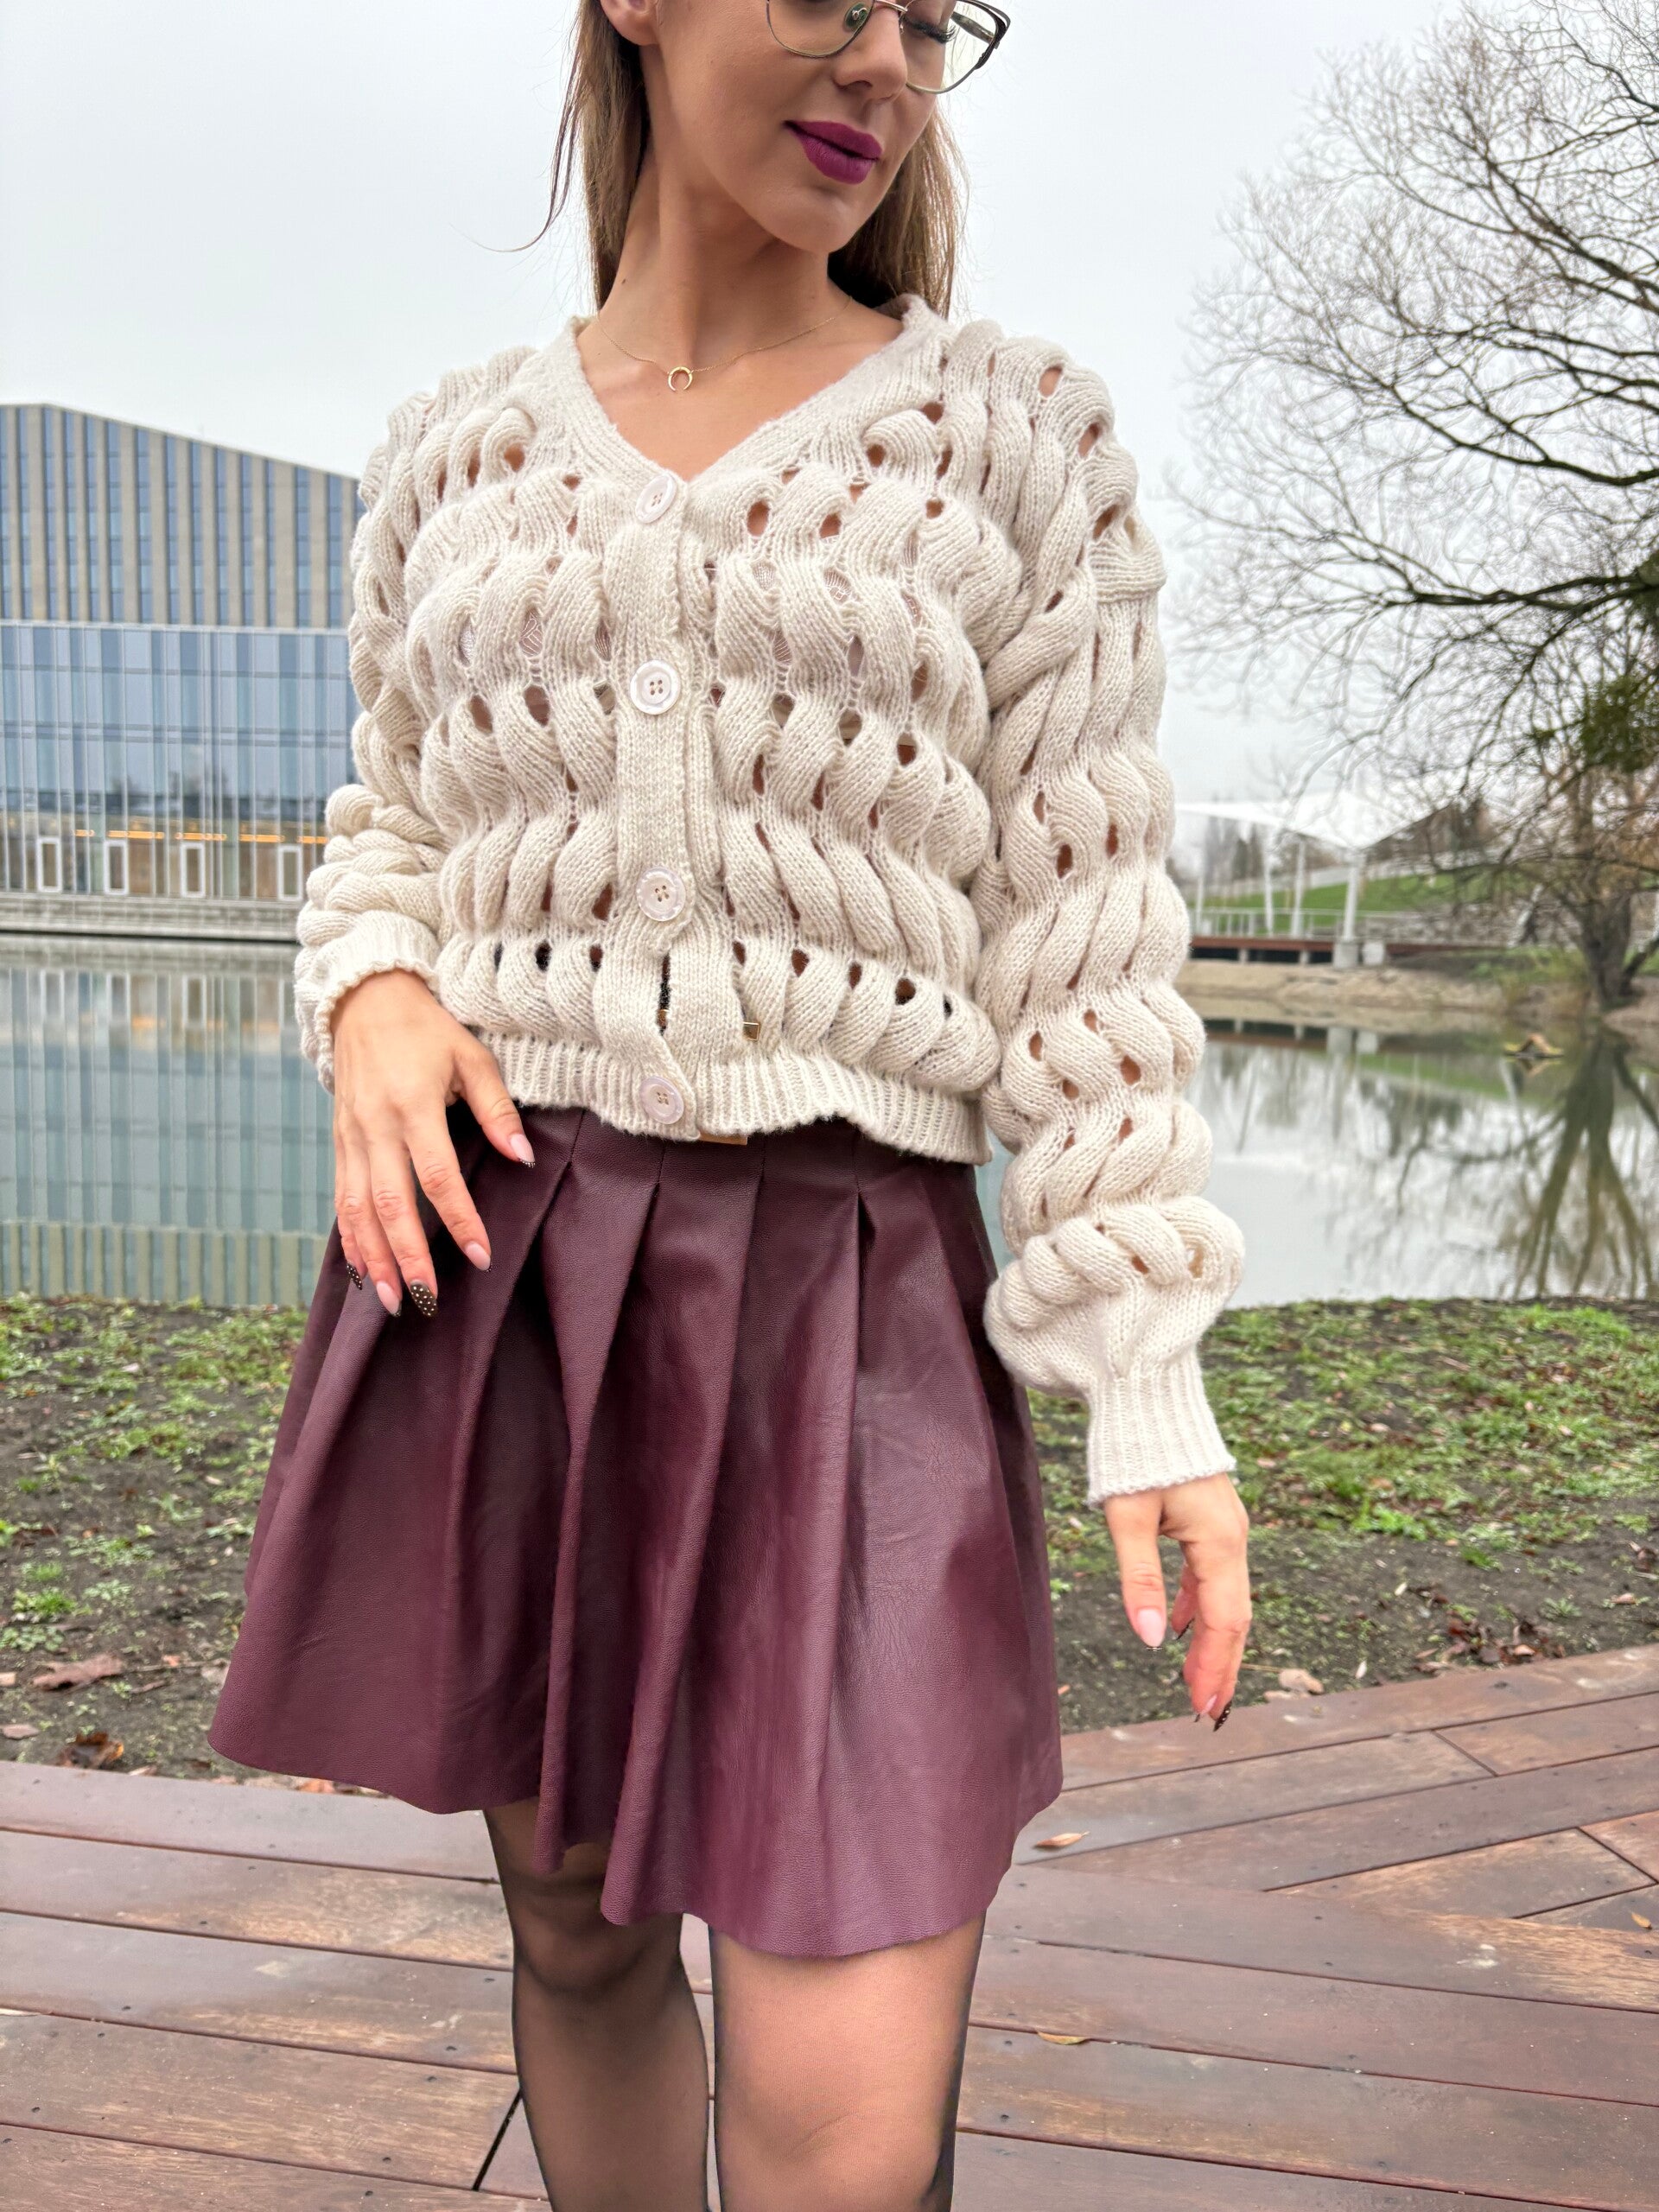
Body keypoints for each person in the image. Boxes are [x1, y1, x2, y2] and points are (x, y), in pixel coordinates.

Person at [210, 3, 1252, 2205]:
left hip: (855, 1308)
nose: (882, 61)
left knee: (841, 2125)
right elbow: (399, 816)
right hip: (516, 1281)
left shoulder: (1014, 440)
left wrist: (1146, 1373)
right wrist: (372, 982)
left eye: (928, 18)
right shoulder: (449, 458)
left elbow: (1087, 935)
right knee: (579, 1942)